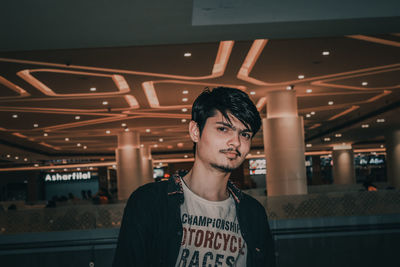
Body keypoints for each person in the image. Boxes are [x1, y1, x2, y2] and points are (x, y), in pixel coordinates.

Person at [113, 87, 276, 267]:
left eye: (244, 134)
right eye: (223, 129)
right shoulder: (150, 202)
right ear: (195, 131)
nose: (236, 142)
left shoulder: (253, 213)